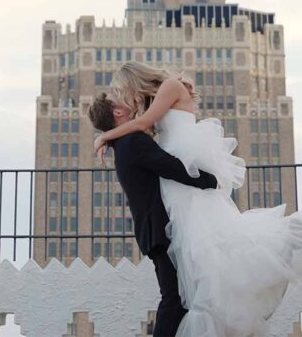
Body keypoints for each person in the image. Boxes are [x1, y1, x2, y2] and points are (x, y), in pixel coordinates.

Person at [93, 61, 302, 337]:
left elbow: (144, 124)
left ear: (134, 81)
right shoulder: (139, 127)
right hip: (174, 175)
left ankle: (297, 231)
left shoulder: (168, 89)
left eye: (123, 90)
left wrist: (103, 138)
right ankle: (293, 235)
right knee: (211, 251)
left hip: (183, 162)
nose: (126, 97)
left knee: (217, 244)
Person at [88, 92, 221, 336]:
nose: (129, 101)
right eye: (121, 99)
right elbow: (169, 166)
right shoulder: (133, 142)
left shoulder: (123, 144)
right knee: (175, 300)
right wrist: (211, 180)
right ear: (118, 113)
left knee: (179, 298)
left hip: (152, 230)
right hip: (161, 230)